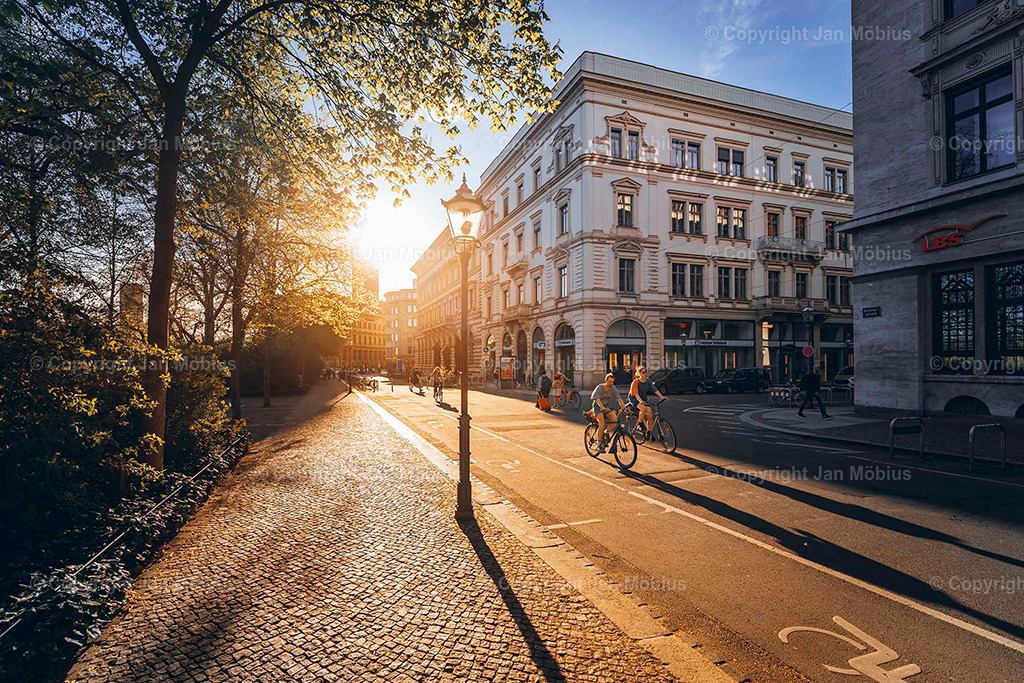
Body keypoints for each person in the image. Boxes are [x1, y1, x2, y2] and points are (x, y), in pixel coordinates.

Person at [591, 373, 627, 453]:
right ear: (606, 381)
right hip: (597, 406)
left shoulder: (613, 388)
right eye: (609, 381)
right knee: (602, 423)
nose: (611, 383)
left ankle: (605, 432)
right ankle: (599, 443)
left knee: (614, 420)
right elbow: (596, 399)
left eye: (612, 382)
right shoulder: (600, 387)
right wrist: (602, 408)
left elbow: (619, 399)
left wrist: (624, 407)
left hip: (606, 406)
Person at [628, 366, 667, 436]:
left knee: (650, 414)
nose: (645, 374)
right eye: (643, 372)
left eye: (646, 372)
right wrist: (640, 401)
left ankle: (649, 432)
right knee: (643, 408)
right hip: (634, 398)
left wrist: (662, 397)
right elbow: (636, 394)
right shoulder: (636, 382)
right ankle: (639, 424)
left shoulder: (648, 381)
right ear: (639, 373)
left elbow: (654, 389)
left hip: (643, 398)